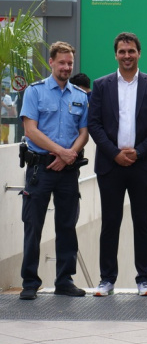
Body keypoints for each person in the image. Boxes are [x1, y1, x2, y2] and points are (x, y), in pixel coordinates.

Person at [88, 32, 147, 296]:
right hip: (110, 164)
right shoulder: (101, 85)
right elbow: (95, 124)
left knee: (142, 221)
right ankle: (106, 279)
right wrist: (115, 153)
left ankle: (144, 278)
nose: (126, 56)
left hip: (142, 164)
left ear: (139, 53)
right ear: (115, 54)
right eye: (122, 51)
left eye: (131, 51)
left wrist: (139, 152)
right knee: (110, 222)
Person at [18, 41, 89, 300]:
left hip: (68, 171)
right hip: (40, 169)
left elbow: (84, 133)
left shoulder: (80, 96)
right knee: (33, 225)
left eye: (70, 63)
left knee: (67, 225)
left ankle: (64, 280)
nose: (66, 67)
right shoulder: (35, 92)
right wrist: (62, 152)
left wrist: (69, 156)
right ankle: (29, 282)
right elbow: (30, 130)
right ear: (51, 62)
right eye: (62, 63)